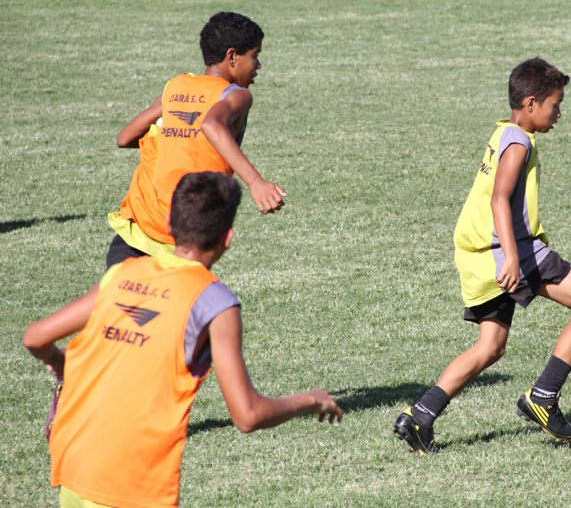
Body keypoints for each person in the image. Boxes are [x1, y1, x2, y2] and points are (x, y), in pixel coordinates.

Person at [23, 172, 342, 508]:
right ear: (228, 238)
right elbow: (248, 415)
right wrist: (312, 399)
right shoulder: (215, 303)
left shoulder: (122, 273)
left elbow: (35, 337)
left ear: (168, 225)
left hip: (75, 461)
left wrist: (63, 366)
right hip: (129, 483)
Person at [393, 58, 571, 453]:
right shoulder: (519, 143)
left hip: (475, 253)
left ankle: (420, 416)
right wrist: (511, 256)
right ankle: (544, 396)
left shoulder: (504, 133)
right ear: (530, 103)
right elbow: (498, 200)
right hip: (507, 249)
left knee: (490, 346)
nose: (560, 113)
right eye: (555, 105)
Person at [106, 11, 286, 269]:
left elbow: (124, 138)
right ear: (232, 56)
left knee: (119, 307)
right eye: (255, 56)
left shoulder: (176, 86)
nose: (258, 65)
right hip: (179, 242)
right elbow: (211, 124)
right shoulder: (237, 96)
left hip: (136, 229)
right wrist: (256, 182)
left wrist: (174, 135)